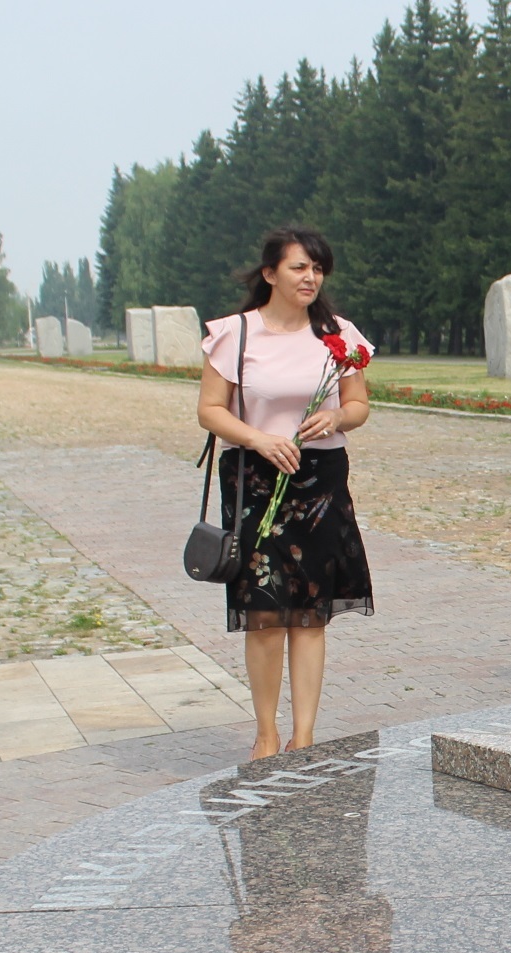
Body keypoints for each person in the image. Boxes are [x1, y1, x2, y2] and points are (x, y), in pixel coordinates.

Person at [197, 227, 374, 759]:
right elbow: (210, 410)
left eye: (318, 269)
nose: (311, 278)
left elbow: (359, 406)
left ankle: (304, 735)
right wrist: (259, 439)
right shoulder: (235, 334)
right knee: (267, 613)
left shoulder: (338, 335)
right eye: (300, 268)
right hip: (255, 480)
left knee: (311, 615)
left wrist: (338, 415)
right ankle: (267, 733)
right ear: (270, 273)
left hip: (320, 484)